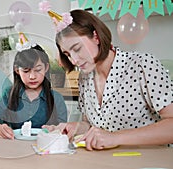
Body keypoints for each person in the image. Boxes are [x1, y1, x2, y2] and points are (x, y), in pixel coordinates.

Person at [39, 1, 173, 150]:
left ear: (95, 37)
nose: (74, 60)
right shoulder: (85, 77)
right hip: (107, 161)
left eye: (77, 48)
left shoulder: (143, 65)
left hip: (148, 161)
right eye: (68, 54)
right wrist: (75, 127)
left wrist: (115, 137)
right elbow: (92, 125)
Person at [0, 33, 67, 139]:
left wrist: (56, 130)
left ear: (46, 68)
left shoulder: (56, 98)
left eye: (38, 70)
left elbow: (64, 129)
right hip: (15, 148)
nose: (32, 76)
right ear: (17, 71)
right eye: (26, 71)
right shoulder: (9, 94)